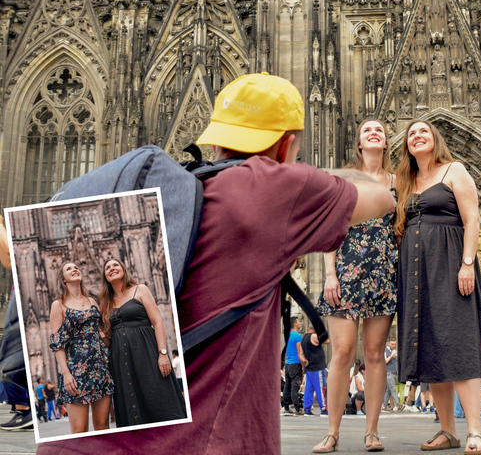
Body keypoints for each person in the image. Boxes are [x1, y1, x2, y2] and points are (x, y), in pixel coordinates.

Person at [37, 72, 394, 455]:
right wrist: (298, 175)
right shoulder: (272, 191)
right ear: (286, 146)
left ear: (216, 138)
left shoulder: (172, 192)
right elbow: (382, 197)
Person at [395, 120, 481, 454]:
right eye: (412, 134)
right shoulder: (407, 182)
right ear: (406, 145)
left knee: (459, 342)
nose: (417, 136)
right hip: (416, 272)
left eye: (424, 131)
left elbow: (472, 218)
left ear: (435, 139)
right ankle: (448, 430)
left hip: (450, 263)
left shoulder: (454, 169)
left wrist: (467, 264)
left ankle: (475, 431)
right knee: (432, 347)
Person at [314, 118, 397, 453]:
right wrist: (329, 273)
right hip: (346, 270)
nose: (373, 133)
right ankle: (332, 432)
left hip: (382, 273)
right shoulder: (344, 179)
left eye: (379, 130)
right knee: (343, 352)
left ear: (386, 142)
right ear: (360, 144)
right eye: (367, 130)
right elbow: (329, 227)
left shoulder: (397, 182)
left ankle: (372, 432)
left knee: (375, 354)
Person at [100, 258, 186, 427]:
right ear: (105, 276)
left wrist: (162, 354)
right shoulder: (106, 303)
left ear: (124, 269)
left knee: (157, 394)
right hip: (121, 363)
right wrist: (100, 333)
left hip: (146, 352)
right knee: (131, 402)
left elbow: (158, 322)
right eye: (108, 268)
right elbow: (110, 341)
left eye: (115, 265)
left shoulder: (140, 289)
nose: (112, 268)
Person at [49, 262, 114, 433]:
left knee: (103, 427)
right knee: (79, 430)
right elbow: (57, 343)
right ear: (63, 280)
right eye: (69, 269)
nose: (74, 269)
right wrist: (66, 373)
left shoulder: (92, 300)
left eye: (76, 267)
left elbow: (104, 330)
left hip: (99, 368)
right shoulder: (59, 305)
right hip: (76, 370)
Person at [0, 214, 34, 431]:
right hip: (17, 293)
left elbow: (15, 254)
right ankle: (21, 409)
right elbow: (8, 261)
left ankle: (25, 410)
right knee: (11, 351)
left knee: (15, 351)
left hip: (25, 295)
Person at [299, 324, 329, 416]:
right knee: (320, 388)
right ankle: (323, 409)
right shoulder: (314, 336)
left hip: (309, 368)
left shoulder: (303, 339)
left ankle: (307, 409)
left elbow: (300, 353)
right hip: (317, 367)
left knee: (309, 389)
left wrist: (304, 360)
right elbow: (327, 341)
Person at [283, 317, 304, 416]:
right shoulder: (298, 336)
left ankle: (286, 407)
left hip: (288, 363)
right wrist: (303, 364)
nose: (300, 323)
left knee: (287, 386)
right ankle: (298, 408)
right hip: (296, 363)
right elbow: (299, 351)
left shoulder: (286, 336)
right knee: (295, 386)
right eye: (299, 322)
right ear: (295, 323)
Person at [383, 339, 402, 411]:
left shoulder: (394, 351)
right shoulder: (385, 351)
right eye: (392, 344)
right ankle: (399, 404)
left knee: (389, 390)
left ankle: (384, 406)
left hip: (395, 372)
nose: (393, 346)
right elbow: (385, 362)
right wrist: (391, 355)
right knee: (393, 389)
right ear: (388, 344)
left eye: (394, 344)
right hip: (388, 372)